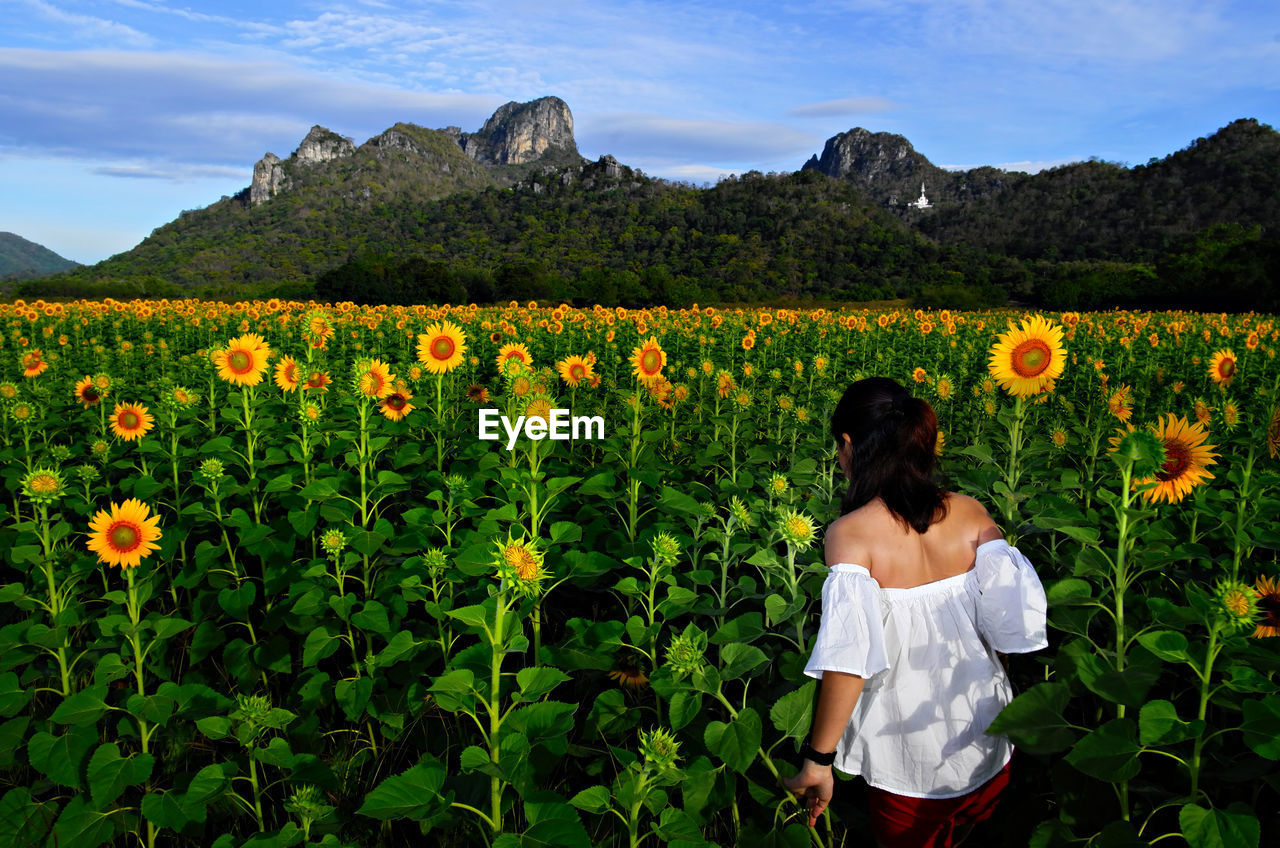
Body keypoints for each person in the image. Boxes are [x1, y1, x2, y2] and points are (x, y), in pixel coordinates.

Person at [782, 377, 1048, 848]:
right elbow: (1007, 632)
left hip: (908, 762)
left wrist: (818, 759)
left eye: (838, 449)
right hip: (986, 742)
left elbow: (848, 663)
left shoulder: (851, 535)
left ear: (848, 445)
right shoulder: (971, 514)